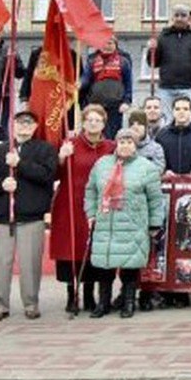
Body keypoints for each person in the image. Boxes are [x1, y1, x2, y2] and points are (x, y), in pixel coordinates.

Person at [0, 110, 58, 322]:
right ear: (13, 125)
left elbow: (47, 175)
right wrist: (1, 184)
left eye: (28, 123)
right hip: (4, 216)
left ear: (35, 127)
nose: (24, 127)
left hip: (31, 216)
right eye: (20, 123)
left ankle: (31, 303)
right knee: (2, 263)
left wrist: (20, 164)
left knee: (30, 264)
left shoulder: (45, 149)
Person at [84, 129, 165, 319]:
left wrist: (155, 224)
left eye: (129, 142)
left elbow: (155, 199)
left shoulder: (146, 167)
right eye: (122, 142)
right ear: (116, 144)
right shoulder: (102, 164)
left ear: (135, 145)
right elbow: (91, 191)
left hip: (133, 225)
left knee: (130, 267)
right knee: (104, 266)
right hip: (106, 224)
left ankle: (128, 302)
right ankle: (103, 303)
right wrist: (90, 213)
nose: (125, 146)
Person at [49, 104, 115, 317]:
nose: (93, 124)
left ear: (104, 123)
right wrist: (61, 157)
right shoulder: (70, 144)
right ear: (83, 123)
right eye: (89, 120)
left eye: (98, 120)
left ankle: (89, 294)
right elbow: (54, 174)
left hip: (99, 205)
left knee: (95, 248)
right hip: (70, 203)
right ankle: (72, 294)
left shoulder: (111, 147)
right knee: (72, 249)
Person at [147, 5, 191, 119]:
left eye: (183, 15)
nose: (179, 18)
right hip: (166, 88)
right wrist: (152, 50)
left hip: (188, 87)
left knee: (189, 120)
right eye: (176, 15)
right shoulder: (163, 37)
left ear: (188, 18)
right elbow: (153, 63)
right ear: (172, 18)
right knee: (167, 121)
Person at [79, 36, 133, 138]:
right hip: (96, 104)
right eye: (104, 43)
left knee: (113, 134)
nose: (106, 46)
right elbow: (86, 78)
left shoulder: (123, 61)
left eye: (110, 43)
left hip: (116, 105)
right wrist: (80, 83)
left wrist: (127, 101)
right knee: (95, 131)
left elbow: (128, 83)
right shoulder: (92, 60)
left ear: (115, 45)